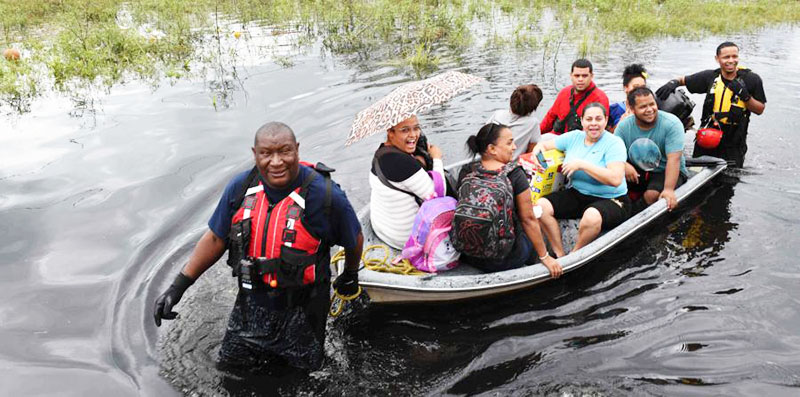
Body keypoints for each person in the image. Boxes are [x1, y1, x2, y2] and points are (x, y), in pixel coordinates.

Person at [153, 122, 363, 372]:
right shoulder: (241, 188)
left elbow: (354, 238)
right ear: (255, 154)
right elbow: (215, 239)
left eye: (285, 151)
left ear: (297, 150)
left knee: (301, 381)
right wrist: (178, 287)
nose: (276, 162)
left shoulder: (326, 196)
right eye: (266, 153)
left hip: (304, 311)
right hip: (250, 307)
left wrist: (350, 275)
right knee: (230, 374)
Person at [452, 123, 562, 276]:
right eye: (509, 142)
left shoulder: (467, 171)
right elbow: (528, 219)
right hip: (504, 260)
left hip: (468, 254)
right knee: (535, 218)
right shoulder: (515, 174)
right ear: (492, 149)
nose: (515, 147)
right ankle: (533, 262)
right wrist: (545, 257)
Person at [533, 103, 629, 257]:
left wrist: (582, 165)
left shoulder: (614, 143)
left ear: (605, 120)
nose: (593, 124)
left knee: (591, 216)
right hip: (579, 193)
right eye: (589, 119)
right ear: (582, 121)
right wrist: (537, 153)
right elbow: (543, 145)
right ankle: (559, 254)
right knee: (541, 207)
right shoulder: (574, 137)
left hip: (612, 198)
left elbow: (616, 179)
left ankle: (575, 255)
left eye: (598, 119)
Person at [655, 41, 766, 167]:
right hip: (708, 134)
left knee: (729, 177)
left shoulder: (752, 79)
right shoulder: (711, 77)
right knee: (697, 170)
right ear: (717, 59)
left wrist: (745, 96)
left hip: (734, 139)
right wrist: (672, 83)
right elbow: (682, 80)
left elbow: (760, 109)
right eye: (726, 57)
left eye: (734, 56)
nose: (731, 60)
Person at [369, 115, 445, 249]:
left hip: (384, 230)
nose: (413, 135)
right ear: (390, 133)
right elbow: (438, 195)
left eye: (416, 128)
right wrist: (436, 158)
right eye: (405, 130)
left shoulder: (381, 152)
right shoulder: (401, 162)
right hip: (406, 238)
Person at [615, 86, 688, 211]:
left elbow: (674, 160)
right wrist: (624, 165)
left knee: (652, 195)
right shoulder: (623, 126)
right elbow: (612, 153)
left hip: (665, 170)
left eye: (652, 104)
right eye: (643, 107)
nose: (649, 110)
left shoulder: (671, 124)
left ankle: (632, 218)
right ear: (632, 109)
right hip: (639, 169)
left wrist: (668, 190)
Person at [540, 59, 609, 135]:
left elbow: (598, 130)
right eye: (577, 76)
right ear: (571, 76)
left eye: (584, 76)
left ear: (591, 76)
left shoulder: (600, 99)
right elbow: (549, 118)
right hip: (556, 138)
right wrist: (537, 134)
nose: (580, 79)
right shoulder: (564, 93)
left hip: (581, 142)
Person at [487, 84, 544, 157]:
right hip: (511, 164)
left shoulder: (497, 114)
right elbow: (532, 150)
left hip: (490, 159)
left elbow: (484, 135)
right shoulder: (532, 123)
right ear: (533, 107)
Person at [608, 63, 648, 132]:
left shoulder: (651, 110)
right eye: (636, 87)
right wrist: (621, 124)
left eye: (643, 87)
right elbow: (605, 135)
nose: (640, 91)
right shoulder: (613, 110)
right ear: (625, 88)